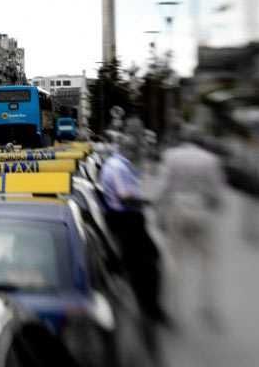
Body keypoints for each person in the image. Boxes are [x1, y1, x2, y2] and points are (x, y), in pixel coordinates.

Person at [100, 135, 166, 363]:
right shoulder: (117, 167)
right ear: (127, 148)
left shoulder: (120, 165)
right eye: (135, 147)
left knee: (150, 262)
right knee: (146, 267)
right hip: (126, 223)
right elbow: (125, 197)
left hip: (126, 222)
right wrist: (147, 202)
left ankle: (149, 307)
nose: (138, 151)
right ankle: (148, 311)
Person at [157, 123, 224, 331]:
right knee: (206, 259)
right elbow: (216, 191)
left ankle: (173, 307)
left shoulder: (171, 156)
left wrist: (158, 209)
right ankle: (206, 303)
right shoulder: (210, 160)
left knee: (175, 260)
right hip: (201, 209)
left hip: (177, 207)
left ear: (182, 139)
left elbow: (164, 186)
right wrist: (215, 203)